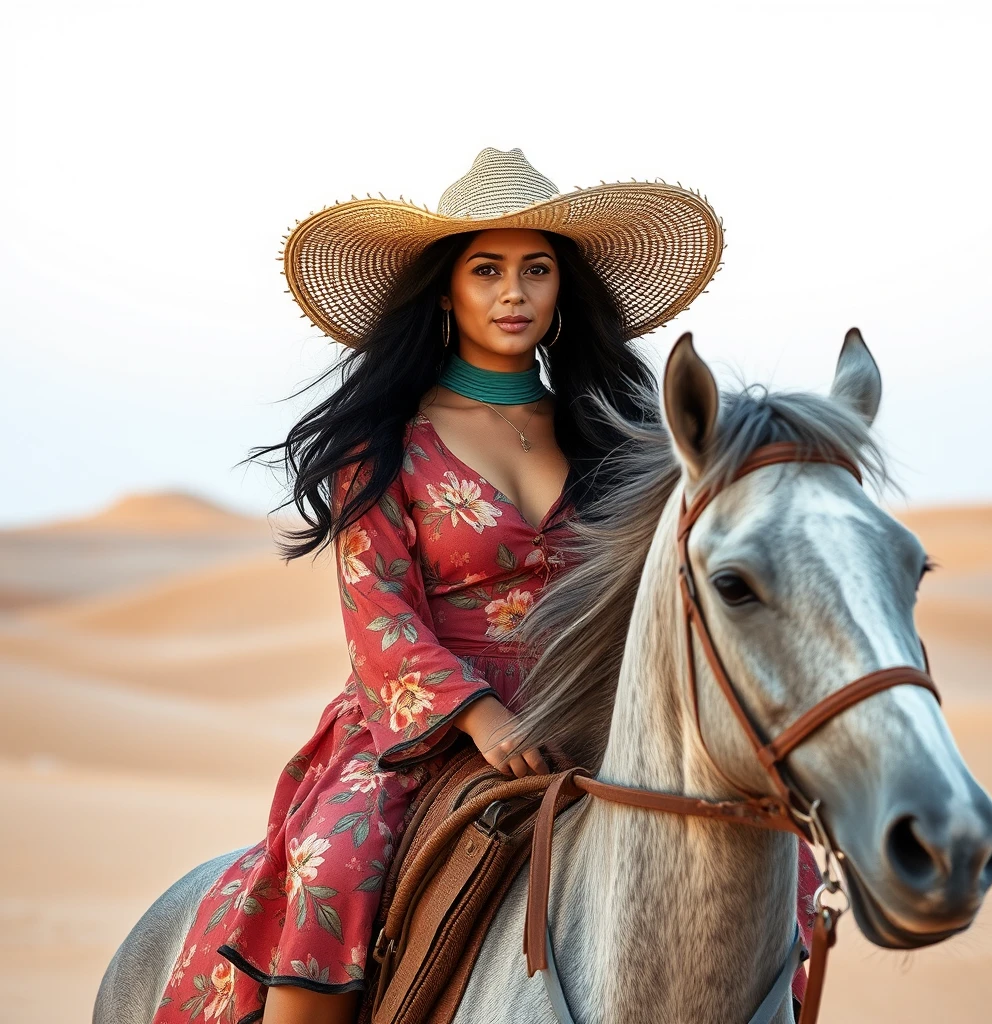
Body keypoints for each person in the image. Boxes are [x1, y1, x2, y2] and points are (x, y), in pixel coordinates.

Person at [150, 147, 815, 1024]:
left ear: (561, 290)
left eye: (536, 269)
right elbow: (378, 616)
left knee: (774, 859)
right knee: (333, 871)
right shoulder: (386, 441)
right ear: (445, 292)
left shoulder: (619, 440)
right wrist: (479, 714)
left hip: (590, 715)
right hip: (424, 728)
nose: (515, 292)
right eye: (487, 269)